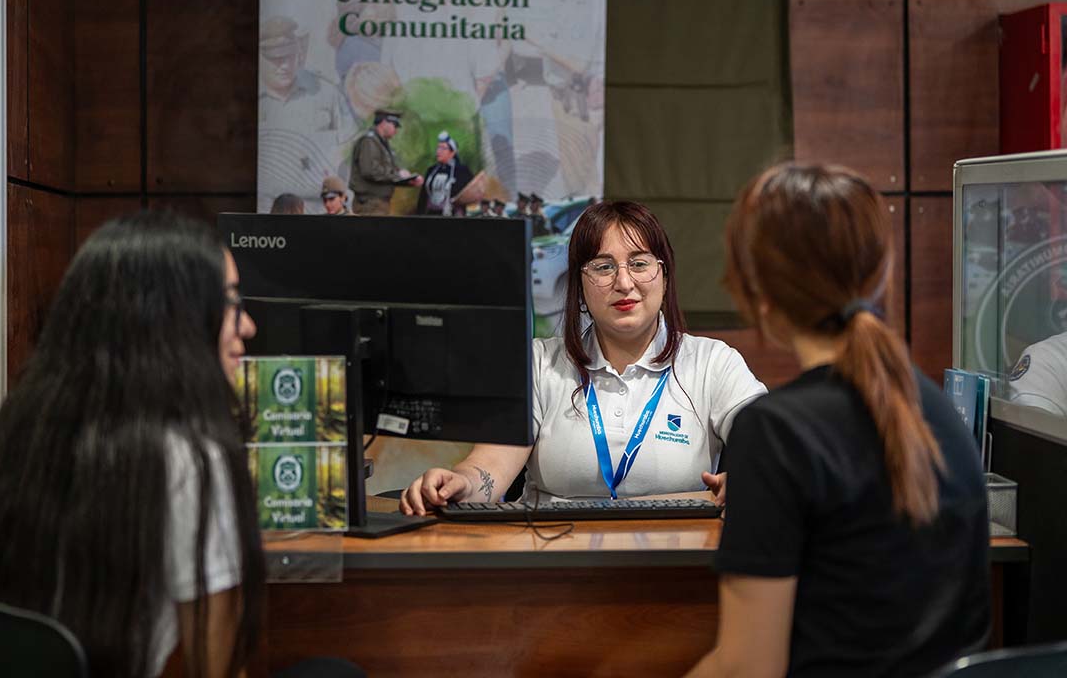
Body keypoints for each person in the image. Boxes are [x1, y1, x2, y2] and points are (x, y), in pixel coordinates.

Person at [686, 164, 989, 677]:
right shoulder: (935, 409)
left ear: (758, 290)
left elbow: (746, 668)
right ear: (876, 273)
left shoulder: (776, 432)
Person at [0, 211, 265, 678]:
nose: (247, 325)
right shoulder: (189, 463)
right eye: (231, 304)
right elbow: (218, 671)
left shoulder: (13, 437)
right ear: (177, 320)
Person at [400, 200, 766, 513]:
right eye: (604, 267)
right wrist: (460, 484)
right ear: (579, 283)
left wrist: (751, 479)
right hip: (554, 564)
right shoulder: (538, 363)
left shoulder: (712, 362)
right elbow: (490, 467)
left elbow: (770, 444)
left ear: (664, 275)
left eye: (639, 263)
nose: (624, 283)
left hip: (674, 561)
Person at [348, 109, 422, 215]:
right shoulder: (369, 141)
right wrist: (398, 176)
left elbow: (386, 170)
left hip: (377, 203)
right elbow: (370, 171)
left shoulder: (380, 143)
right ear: (383, 123)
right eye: (395, 125)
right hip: (370, 204)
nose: (396, 130)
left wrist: (406, 180)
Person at [416, 131, 475, 216]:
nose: (438, 151)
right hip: (432, 215)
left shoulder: (462, 171)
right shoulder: (431, 170)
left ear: (452, 152)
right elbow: (423, 197)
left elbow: (471, 195)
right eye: (438, 148)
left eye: (443, 148)